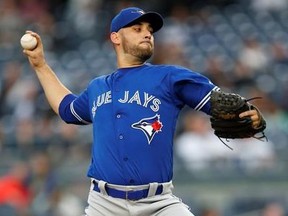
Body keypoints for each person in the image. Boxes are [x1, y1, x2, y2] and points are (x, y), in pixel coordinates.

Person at [23, 7, 265, 216]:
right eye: (137, 29)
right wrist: (40, 65)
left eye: (149, 29)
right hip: (104, 205)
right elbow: (67, 109)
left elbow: (223, 103)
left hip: (158, 203)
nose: (148, 33)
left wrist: (248, 113)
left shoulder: (169, 77)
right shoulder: (98, 87)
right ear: (115, 38)